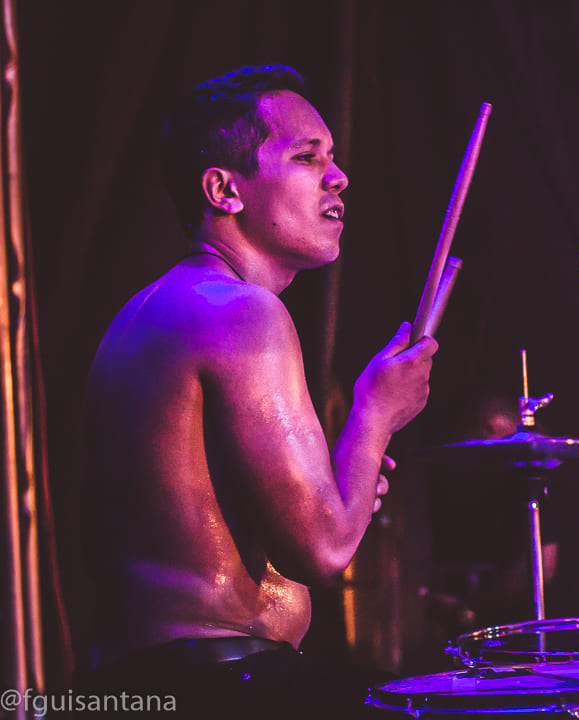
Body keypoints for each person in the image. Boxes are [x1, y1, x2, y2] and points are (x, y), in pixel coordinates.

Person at [76, 65, 436, 717]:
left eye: (333, 157)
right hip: (220, 685)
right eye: (307, 157)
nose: (338, 177)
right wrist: (375, 413)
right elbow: (322, 549)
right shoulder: (241, 312)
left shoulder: (156, 309)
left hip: (140, 684)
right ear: (224, 189)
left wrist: (347, 481)